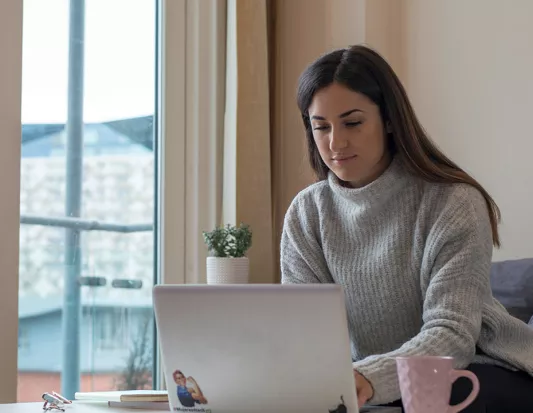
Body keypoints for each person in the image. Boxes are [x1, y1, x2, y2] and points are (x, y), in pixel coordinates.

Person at [281, 44, 533, 412]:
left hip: (480, 368)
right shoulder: (306, 214)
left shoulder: (454, 203)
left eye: (352, 122)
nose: (335, 143)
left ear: (388, 119)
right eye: (321, 127)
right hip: (374, 383)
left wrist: (368, 378)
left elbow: (452, 335)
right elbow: (304, 335)